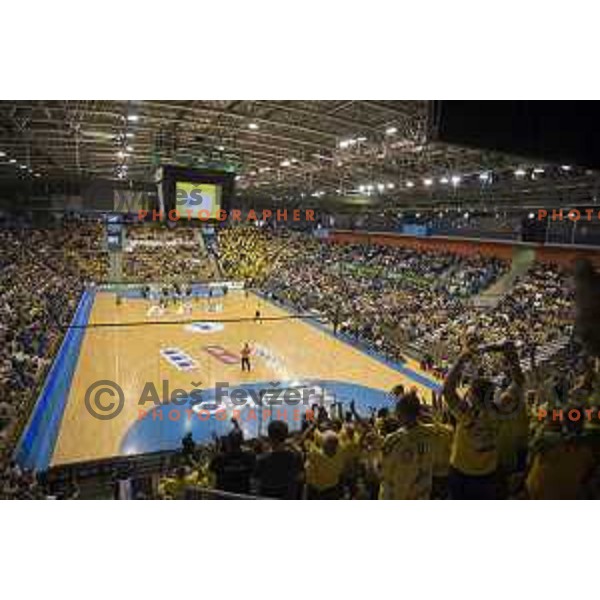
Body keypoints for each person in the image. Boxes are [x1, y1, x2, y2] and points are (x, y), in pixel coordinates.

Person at [380, 391, 437, 499]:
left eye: (397, 410)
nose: (395, 412)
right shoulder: (433, 433)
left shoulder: (392, 440)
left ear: (402, 415)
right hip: (420, 495)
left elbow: (382, 471)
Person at [254, 420, 304, 499]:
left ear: (269, 437)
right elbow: (300, 480)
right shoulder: (295, 457)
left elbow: (255, 486)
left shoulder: (261, 460)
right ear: (286, 436)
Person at [209, 423, 256, 496]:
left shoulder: (219, 458)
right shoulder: (250, 457)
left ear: (229, 441)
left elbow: (211, 469)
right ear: (242, 441)